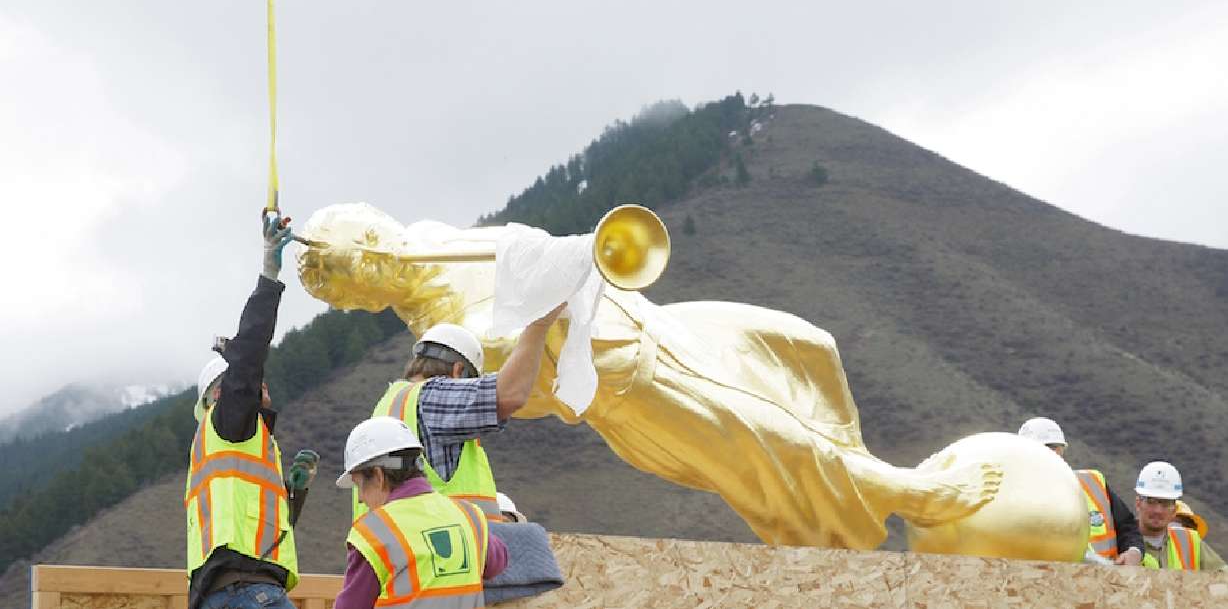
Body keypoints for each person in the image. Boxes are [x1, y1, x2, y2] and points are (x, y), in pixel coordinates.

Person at [297, 205, 1002, 549]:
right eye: (358, 276)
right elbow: (519, 391)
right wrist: (532, 319)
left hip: (642, 318)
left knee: (801, 346)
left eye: (370, 247)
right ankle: (918, 494)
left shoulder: (430, 241)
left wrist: (550, 259)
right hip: (627, 385)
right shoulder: (433, 320)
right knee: (768, 441)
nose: (378, 264)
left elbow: (520, 252)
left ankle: (865, 468)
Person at [184, 212, 301, 609]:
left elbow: (257, 535)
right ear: (221, 393)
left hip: (222, 595)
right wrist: (269, 274)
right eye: (248, 385)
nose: (259, 387)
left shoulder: (230, 446)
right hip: (249, 595)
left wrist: (294, 494)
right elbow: (250, 354)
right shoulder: (229, 421)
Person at [360, 308, 564, 522]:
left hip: (405, 549)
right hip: (440, 552)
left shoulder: (391, 406)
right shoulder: (430, 399)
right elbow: (508, 395)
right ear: (458, 371)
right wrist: (539, 325)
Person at [335, 416, 508, 609]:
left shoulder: (373, 533)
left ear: (378, 476)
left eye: (359, 485)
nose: (360, 498)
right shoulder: (469, 515)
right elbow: (497, 563)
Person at [1017, 417, 1143, 565]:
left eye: (1053, 448)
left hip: (1107, 584)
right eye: (1041, 450)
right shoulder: (1013, 498)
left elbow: (1127, 526)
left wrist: (1133, 551)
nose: (1049, 455)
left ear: (1061, 451)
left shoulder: (1093, 483)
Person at [1134, 461, 1226, 571]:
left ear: (1174, 509)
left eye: (1166, 503)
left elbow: (1223, 576)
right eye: (1151, 501)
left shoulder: (1189, 541)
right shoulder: (1120, 542)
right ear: (1138, 504)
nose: (1158, 510)